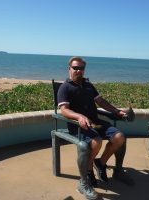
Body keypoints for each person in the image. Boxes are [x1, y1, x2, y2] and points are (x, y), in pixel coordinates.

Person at [57, 56, 134, 199]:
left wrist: (116, 111)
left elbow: (101, 102)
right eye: (75, 68)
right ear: (69, 69)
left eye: (81, 68)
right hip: (78, 126)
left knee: (119, 137)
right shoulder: (65, 87)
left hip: (95, 122)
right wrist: (79, 117)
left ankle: (100, 163)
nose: (78, 71)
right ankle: (86, 176)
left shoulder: (88, 85)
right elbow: (64, 110)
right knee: (96, 141)